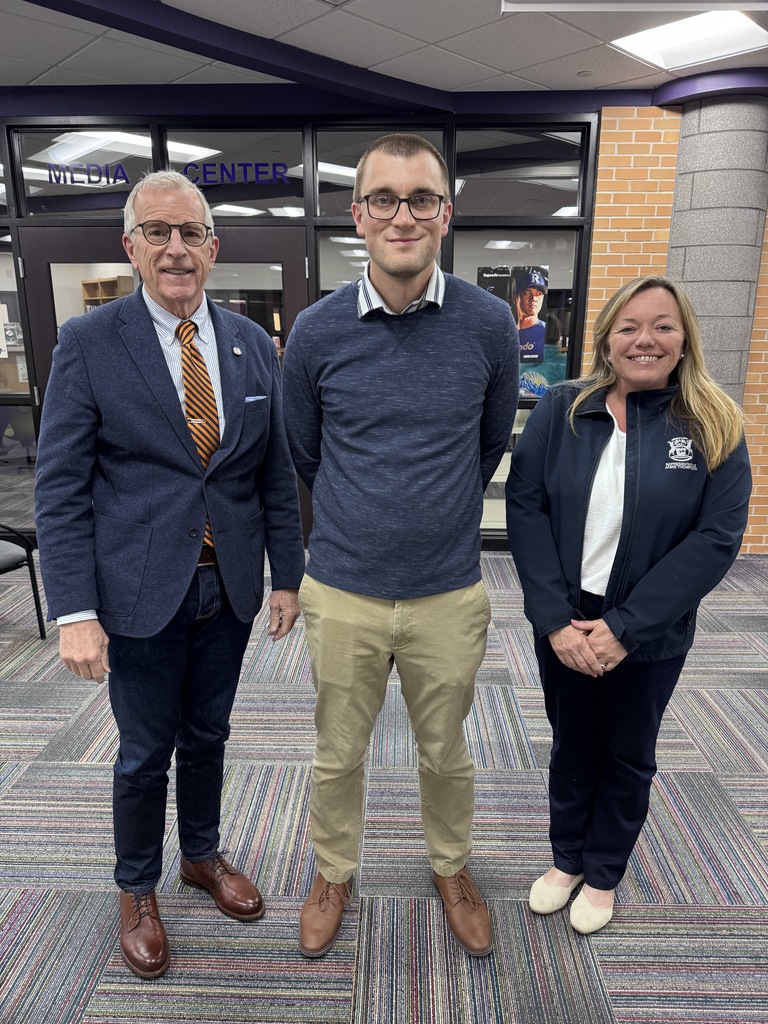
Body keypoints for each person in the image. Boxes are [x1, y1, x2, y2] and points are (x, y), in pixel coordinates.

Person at [34, 170, 305, 979]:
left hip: (228, 588)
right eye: (159, 232)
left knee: (211, 733)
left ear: (213, 249)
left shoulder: (253, 344)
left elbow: (272, 473)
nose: (176, 248)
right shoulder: (90, 343)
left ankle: (201, 853)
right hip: (137, 587)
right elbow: (60, 486)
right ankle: (135, 887)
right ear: (132, 246)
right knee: (145, 750)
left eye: (190, 233)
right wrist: (74, 609)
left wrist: (285, 575)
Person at [282, 133, 519, 959]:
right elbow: (304, 453)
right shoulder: (314, 333)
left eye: (422, 199)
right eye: (384, 198)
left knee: (447, 750)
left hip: (448, 591)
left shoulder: (491, 326)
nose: (403, 215)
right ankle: (332, 871)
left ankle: (450, 866)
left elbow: (487, 445)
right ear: (358, 217)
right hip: (342, 587)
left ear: (446, 216)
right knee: (336, 750)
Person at [505, 276, 751, 934]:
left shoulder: (713, 420)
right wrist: (554, 619)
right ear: (607, 340)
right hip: (565, 614)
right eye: (629, 326)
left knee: (628, 751)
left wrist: (625, 628)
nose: (645, 338)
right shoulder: (562, 408)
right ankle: (566, 859)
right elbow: (525, 506)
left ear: (684, 339)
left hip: (650, 626)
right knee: (572, 743)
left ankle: (605, 869)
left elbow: (717, 537)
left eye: (663, 325)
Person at [514, 269, 548, 366]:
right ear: (515, 298)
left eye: (539, 294)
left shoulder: (545, 330)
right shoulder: (507, 331)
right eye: (528, 293)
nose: (533, 299)